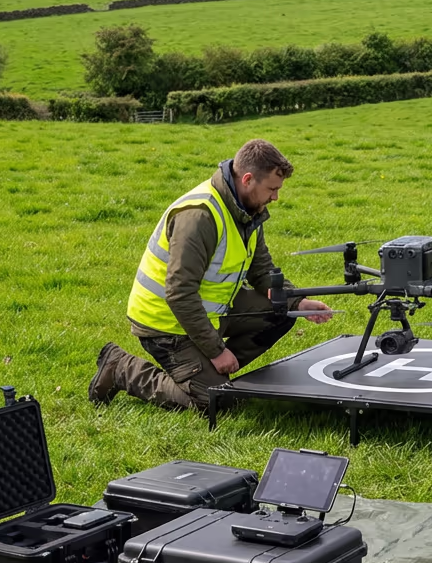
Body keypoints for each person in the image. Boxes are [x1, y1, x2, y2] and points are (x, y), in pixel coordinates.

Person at [88, 139, 332, 411]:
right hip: (165, 323)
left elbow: (262, 270)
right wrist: (216, 351)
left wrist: (297, 302)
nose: (275, 197)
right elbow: (179, 294)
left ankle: (210, 373)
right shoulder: (199, 217)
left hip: (210, 311)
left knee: (283, 312)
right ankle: (120, 367)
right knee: (216, 403)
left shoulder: (248, 211)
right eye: (272, 189)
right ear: (248, 179)